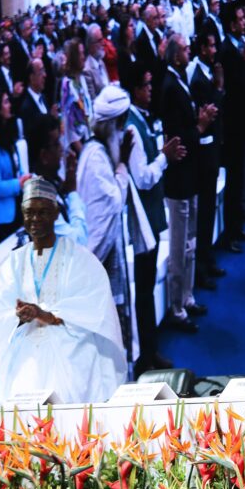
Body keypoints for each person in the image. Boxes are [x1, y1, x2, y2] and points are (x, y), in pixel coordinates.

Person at [0, 177, 127, 404]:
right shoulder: (14, 262)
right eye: (29, 213)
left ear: (56, 213)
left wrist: (45, 315)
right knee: (20, 401)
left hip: (70, 349)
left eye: (43, 212)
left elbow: (93, 309)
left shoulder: (80, 259)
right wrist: (17, 316)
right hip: (27, 352)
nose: (35, 219)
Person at [77, 85, 149, 361]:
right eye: (121, 126)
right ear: (113, 125)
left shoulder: (101, 151)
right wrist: (122, 167)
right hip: (100, 258)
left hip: (111, 254)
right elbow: (112, 203)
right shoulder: (96, 157)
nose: (123, 133)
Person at [125, 66, 183, 370]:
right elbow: (143, 178)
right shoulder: (132, 127)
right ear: (135, 90)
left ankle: (150, 349)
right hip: (142, 219)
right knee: (144, 290)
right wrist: (163, 157)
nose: (151, 90)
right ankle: (146, 355)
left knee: (146, 288)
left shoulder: (141, 120)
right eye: (146, 85)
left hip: (150, 214)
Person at [161, 33, 216, 332]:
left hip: (191, 173)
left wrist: (199, 122)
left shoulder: (180, 80)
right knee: (179, 245)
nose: (188, 51)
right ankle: (176, 306)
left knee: (191, 243)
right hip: (179, 178)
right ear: (174, 55)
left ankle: (187, 296)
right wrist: (200, 126)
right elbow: (178, 136)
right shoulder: (169, 86)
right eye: (184, 49)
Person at [189, 32, 227, 289]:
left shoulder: (206, 75)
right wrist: (220, 87)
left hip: (211, 150)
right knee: (203, 213)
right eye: (211, 45)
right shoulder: (199, 80)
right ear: (202, 48)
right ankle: (201, 267)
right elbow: (213, 110)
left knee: (209, 209)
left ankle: (207, 258)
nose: (214, 50)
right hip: (203, 155)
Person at [220, 1, 245, 251]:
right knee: (233, 182)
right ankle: (231, 233)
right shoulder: (227, 50)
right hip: (233, 127)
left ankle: (238, 225)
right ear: (232, 24)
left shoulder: (238, 45)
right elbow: (235, 87)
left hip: (244, 123)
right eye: (241, 19)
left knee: (241, 175)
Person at [26, 114, 87, 246]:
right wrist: (72, 193)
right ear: (44, 156)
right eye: (56, 144)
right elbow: (79, 244)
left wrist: (66, 190)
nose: (61, 148)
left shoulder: (52, 184)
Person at [0, 91, 29, 244]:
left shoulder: (10, 137)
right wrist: (19, 183)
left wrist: (26, 178)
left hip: (20, 207)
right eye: (5, 102)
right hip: (4, 218)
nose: (10, 105)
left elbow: (18, 169)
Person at [59, 38, 92, 155]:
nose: (84, 57)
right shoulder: (68, 85)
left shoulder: (81, 78)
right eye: (80, 54)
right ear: (74, 58)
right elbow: (69, 130)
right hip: (77, 148)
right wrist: (85, 155)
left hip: (88, 137)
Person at [83, 24, 110, 99]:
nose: (103, 43)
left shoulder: (101, 62)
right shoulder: (87, 70)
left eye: (102, 39)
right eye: (99, 40)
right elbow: (93, 101)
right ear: (91, 45)